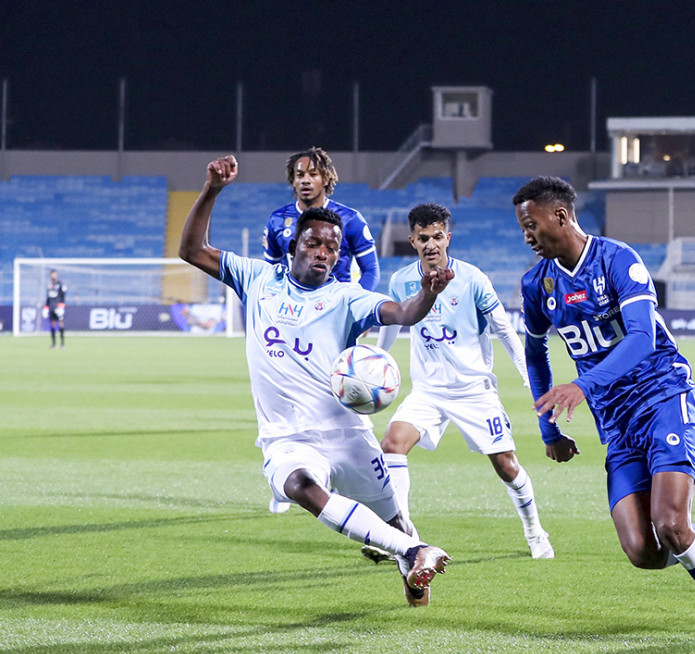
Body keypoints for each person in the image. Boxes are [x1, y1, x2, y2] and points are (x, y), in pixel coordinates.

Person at [179, 155, 453, 606]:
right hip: (288, 437)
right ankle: (416, 552)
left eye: (332, 247)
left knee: (396, 522)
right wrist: (211, 189)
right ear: (293, 247)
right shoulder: (257, 279)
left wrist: (428, 291)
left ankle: (414, 573)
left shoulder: (347, 297)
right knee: (300, 486)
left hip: (348, 434)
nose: (324, 252)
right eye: (314, 243)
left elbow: (402, 314)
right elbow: (191, 251)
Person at [513, 176, 695, 650]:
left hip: (663, 396)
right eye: (522, 226)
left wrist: (582, 384)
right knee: (643, 552)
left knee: (670, 523)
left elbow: (643, 338)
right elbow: (536, 353)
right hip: (616, 420)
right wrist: (549, 428)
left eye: (532, 224)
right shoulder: (536, 284)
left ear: (560, 216)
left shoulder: (617, 260)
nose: (527, 234)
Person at [369, 203, 554, 562]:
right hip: (428, 392)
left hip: (474, 391)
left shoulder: (472, 279)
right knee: (392, 444)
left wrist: (528, 379)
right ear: (412, 241)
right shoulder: (402, 280)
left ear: (447, 238)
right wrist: (379, 363)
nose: (431, 244)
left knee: (506, 465)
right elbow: (392, 327)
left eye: (437, 236)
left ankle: (535, 531)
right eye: (423, 238)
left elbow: (504, 331)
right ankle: (402, 537)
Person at [262, 146, 380, 290]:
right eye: (300, 175)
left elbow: (371, 271)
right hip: (294, 306)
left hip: (335, 305)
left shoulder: (350, 219)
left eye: (313, 174)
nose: (305, 180)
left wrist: (353, 303)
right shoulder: (277, 220)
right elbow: (270, 269)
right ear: (293, 180)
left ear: (325, 179)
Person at [43, 269, 66, 348]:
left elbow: (63, 296)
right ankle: (53, 343)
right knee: (52, 325)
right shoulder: (49, 285)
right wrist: (46, 307)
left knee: (60, 324)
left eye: (54, 274)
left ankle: (62, 343)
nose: (53, 276)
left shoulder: (60, 284)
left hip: (58, 308)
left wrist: (61, 307)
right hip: (51, 307)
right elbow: (48, 298)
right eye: (52, 274)